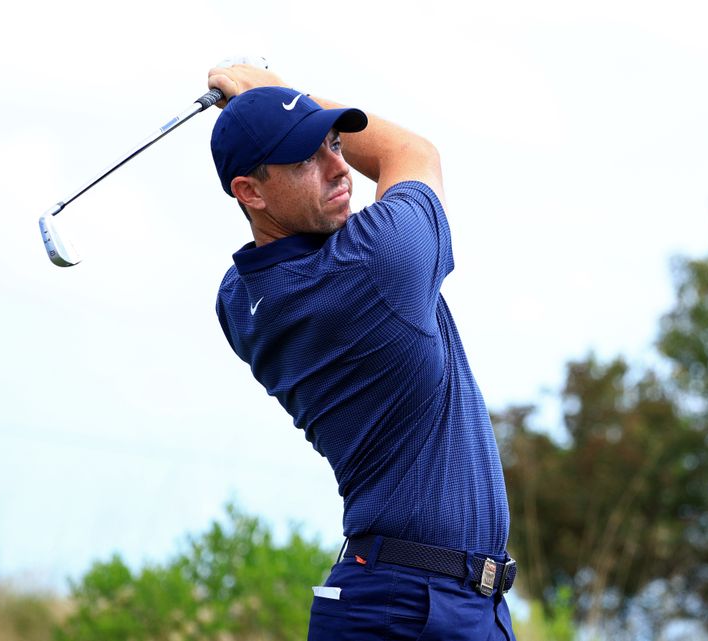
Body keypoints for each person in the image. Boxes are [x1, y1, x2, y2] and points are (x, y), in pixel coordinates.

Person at [207, 64, 517, 641]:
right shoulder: (375, 262)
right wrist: (273, 89)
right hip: (415, 606)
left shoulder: (237, 302)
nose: (340, 167)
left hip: (412, 597)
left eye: (333, 142)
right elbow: (410, 152)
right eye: (305, 159)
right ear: (249, 191)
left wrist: (276, 113)